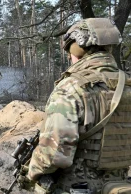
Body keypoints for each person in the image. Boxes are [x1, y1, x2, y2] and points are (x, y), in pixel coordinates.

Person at [22, 18, 131, 193]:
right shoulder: (127, 85)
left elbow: (54, 155)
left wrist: (30, 173)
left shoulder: (71, 88)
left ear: (77, 47)